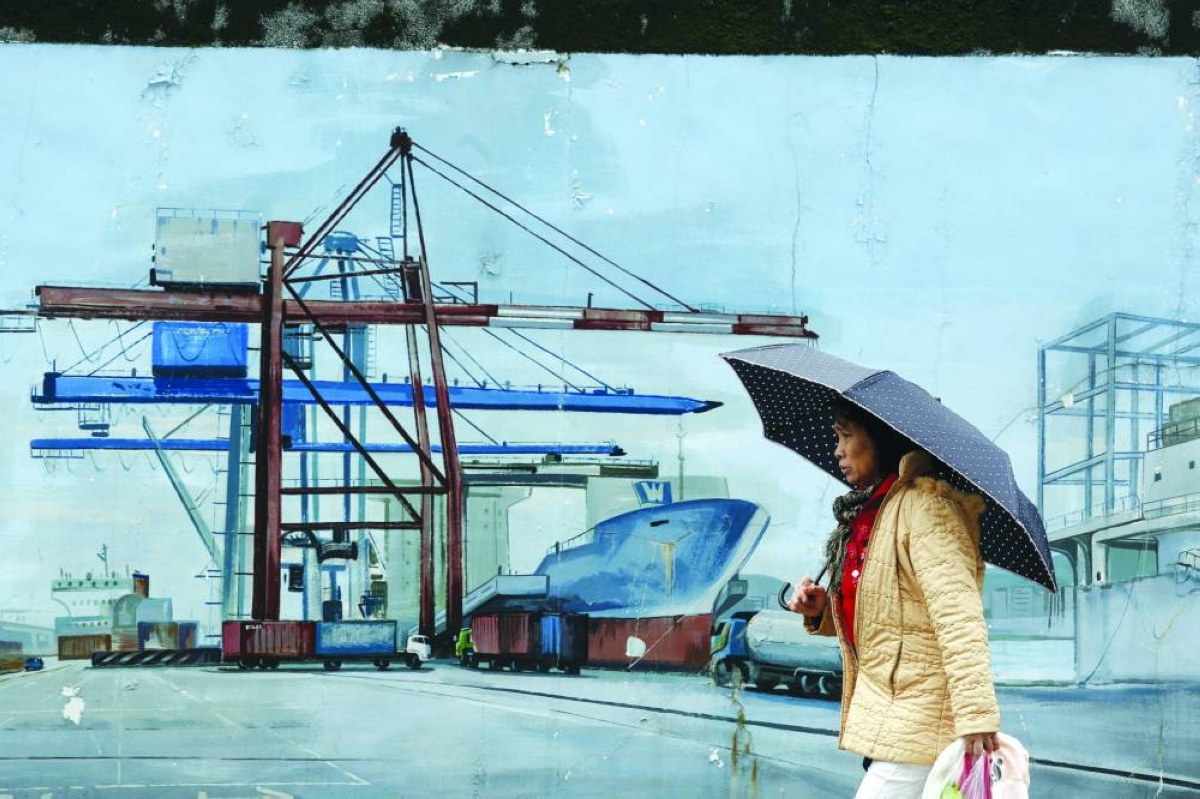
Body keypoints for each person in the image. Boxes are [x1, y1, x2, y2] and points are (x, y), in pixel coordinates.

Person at [787, 400, 1000, 799]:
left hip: (921, 710)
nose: (837, 450)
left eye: (846, 436)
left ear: (880, 439)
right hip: (893, 708)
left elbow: (959, 615)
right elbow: (890, 611)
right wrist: (822, 611)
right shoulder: (876, 510)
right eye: (836, 437)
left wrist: (976, 715)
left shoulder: (927, 507)